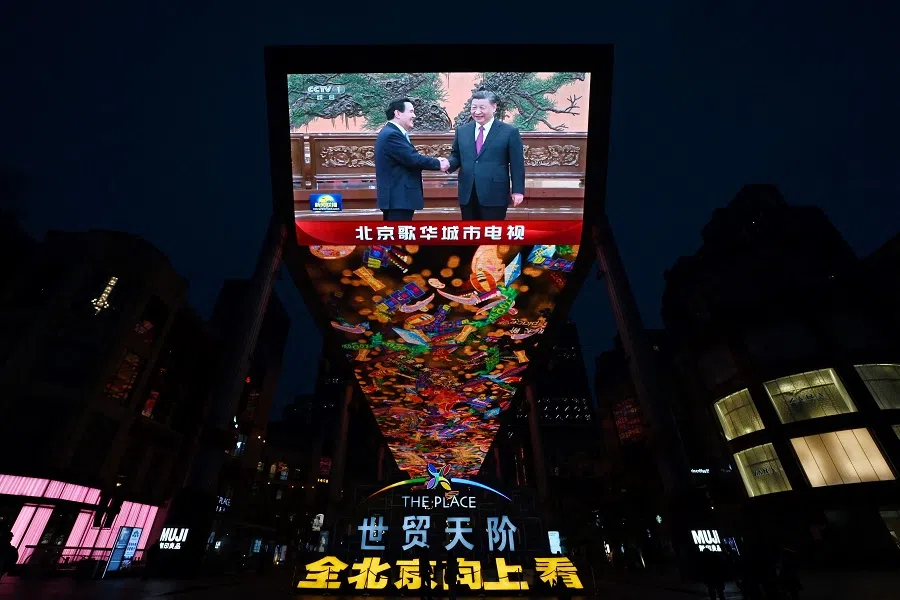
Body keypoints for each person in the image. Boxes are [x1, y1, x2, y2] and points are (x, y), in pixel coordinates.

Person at [446, 90, 525, 221]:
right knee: (470, 235)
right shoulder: (462, 131)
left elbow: (517, 164)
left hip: (495, 193)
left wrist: (518, 190)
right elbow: (456, 156)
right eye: (474, 107)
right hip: (467, 193)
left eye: (482, 108)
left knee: (491, 236)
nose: (477, 112)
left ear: (494, 107)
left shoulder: (509, 132)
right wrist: (448, 164)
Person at [375, 98, 448, 221]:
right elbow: (413, 159)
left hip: (398, 200)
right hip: (398, 199)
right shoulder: (392, 134)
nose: (414, 115)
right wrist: (438, 163)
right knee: (396, 237)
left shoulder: (391, 132)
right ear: (397, 113)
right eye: (411, 111)